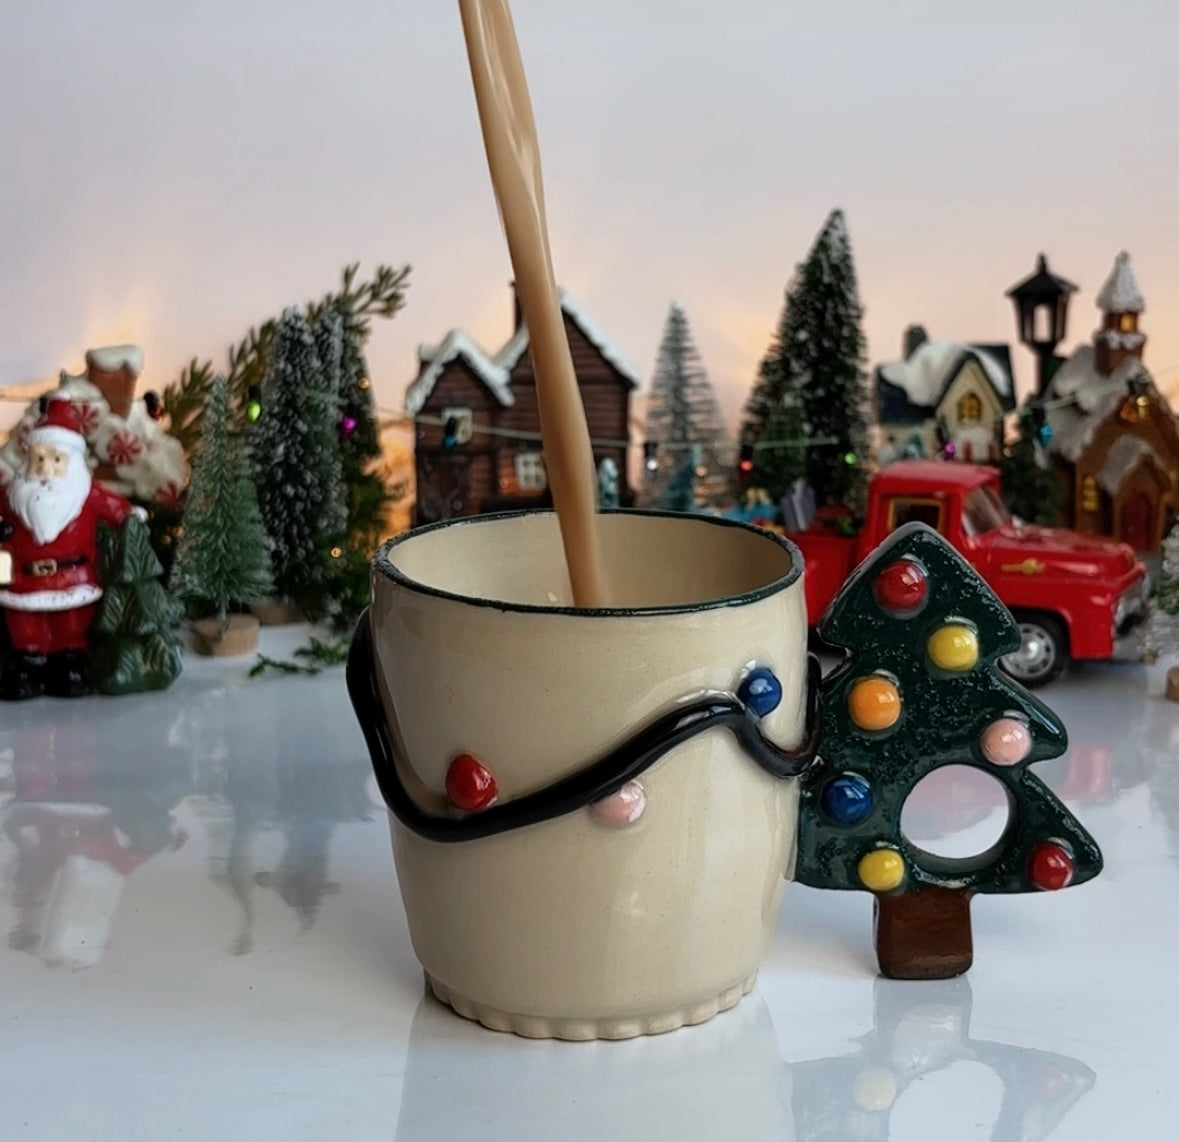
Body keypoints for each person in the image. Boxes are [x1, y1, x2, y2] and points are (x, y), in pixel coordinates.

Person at [0, 396, 140, 699]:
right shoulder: (13, 496)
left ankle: (69, 664)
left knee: (71, 627)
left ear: (72, 462)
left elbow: (119, 511)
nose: (45, 470)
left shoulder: (86, 494)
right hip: (23, 582)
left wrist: (133, 519)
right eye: (39, 459)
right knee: (25, 629)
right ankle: (27, 665)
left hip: (74, 581)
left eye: (56, 460)